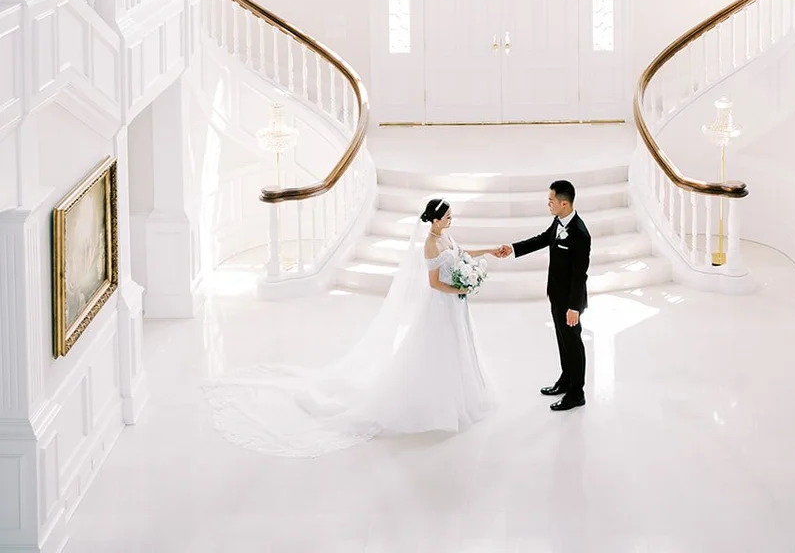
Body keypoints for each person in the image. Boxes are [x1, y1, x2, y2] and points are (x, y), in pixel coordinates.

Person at [204, 198, 502, 454]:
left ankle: (459, 397)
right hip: (441, 304)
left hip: (454, 305)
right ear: (435, 220)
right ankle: (433, 402)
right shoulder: (430, 244)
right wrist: (460, 289)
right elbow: (434, 283)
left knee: (456, 346)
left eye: (451, 217)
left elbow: (461, 255)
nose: (451, 221)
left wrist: (487, 252)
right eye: (447, 217)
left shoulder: (446, 237)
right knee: (435, 350)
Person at [496, 179, 591, 412]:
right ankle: (566, 380)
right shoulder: (558, 221)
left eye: (551, 201)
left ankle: (576, 393)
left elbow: (580, 275)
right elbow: (542, 239)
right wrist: (513, 248)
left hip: (570, 301)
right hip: (556, 295)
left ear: (564, 203)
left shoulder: (580, 233)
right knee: (562, 340)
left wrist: (574, 307)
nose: (548, 204)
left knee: (573, 344)